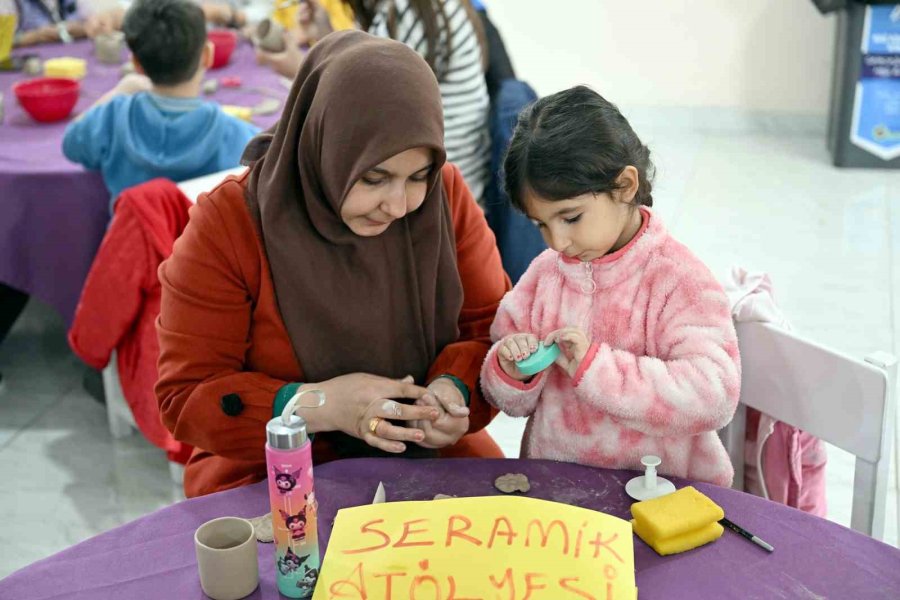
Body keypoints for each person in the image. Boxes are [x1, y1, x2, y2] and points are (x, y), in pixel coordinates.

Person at [155, 30, 510, 497]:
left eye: (418, 176)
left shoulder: (442, 197)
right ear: (324, 146)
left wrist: (452, 392)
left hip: (424, 447)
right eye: (373, 177)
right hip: (272, 461)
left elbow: (493, 327)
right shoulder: (232, 223)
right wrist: (318, 405)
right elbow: (187, 394)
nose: (399, 205)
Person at [480, 86, 741, 487]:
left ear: (625, 186)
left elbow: (714, 394)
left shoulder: (678, 280)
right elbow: (512, 400)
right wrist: (510, 367)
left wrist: (597, 368)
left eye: (570, 218)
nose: (556, 242)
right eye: (541, 224)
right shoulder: (545, 275)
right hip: (558, 494)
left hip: (660, 500)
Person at [258, 0, 491, 203]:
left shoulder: (408, 10)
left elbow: (373, 106)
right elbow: (369, 74)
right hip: (430, 173)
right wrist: (326, 37)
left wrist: (302, 70)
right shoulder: (398, 7)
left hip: (441, 184)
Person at [61, 0, 260, 206]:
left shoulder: (112, 117)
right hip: (203, 238)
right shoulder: (236, 134)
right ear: (207, 55)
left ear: (136, 63)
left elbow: (71, 143)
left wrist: (121, 90)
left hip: (134, 237)